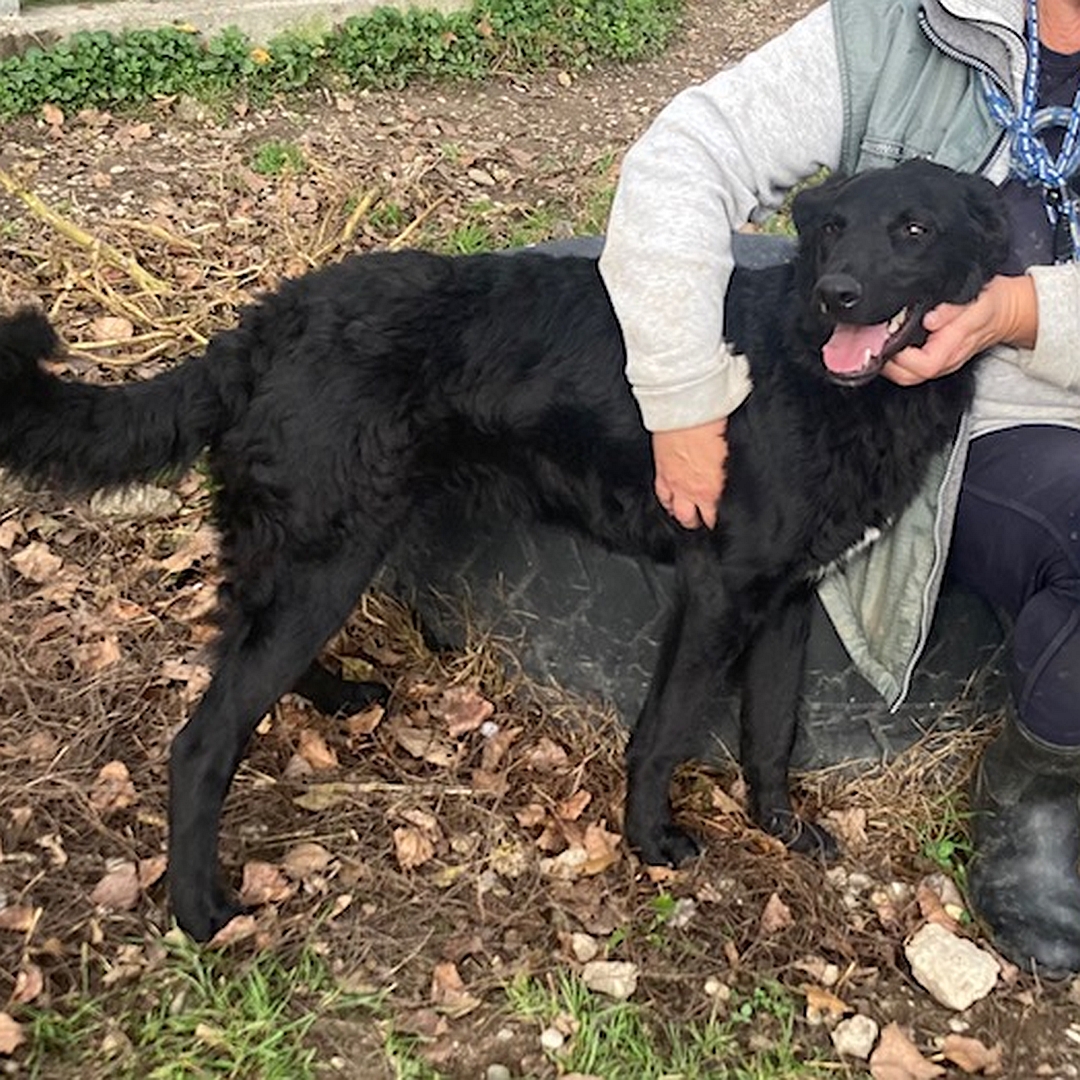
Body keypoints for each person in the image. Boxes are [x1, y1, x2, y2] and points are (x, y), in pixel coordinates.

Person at [599, 0, 1080, 976]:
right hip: (995, 422)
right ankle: (1040, 826)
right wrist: (682, 393)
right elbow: (684, 156)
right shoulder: (899, 28)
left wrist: (1024, 306)